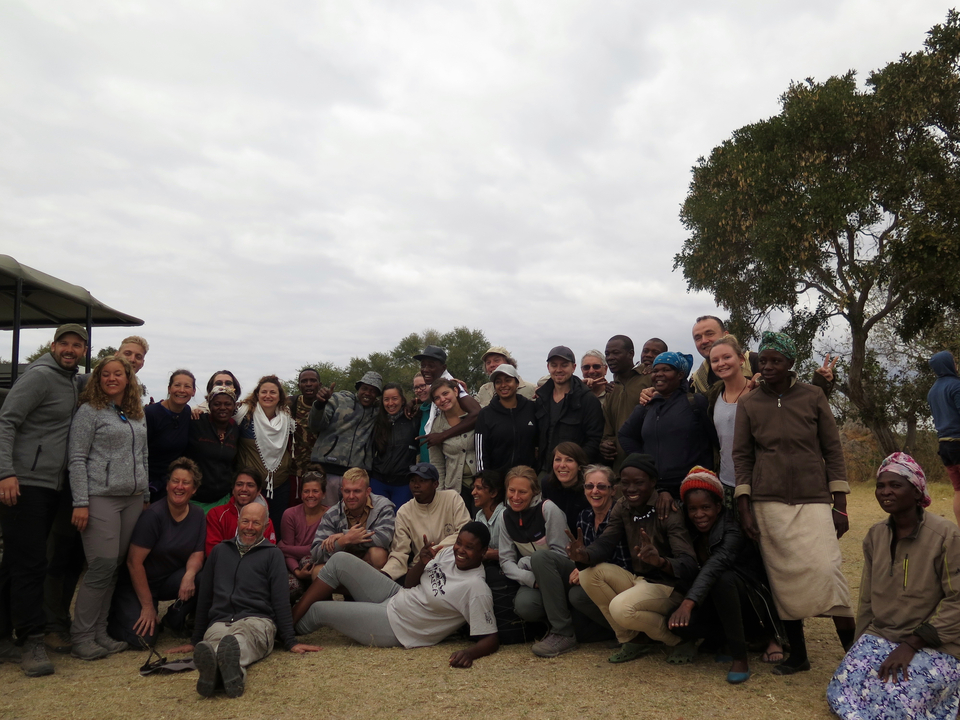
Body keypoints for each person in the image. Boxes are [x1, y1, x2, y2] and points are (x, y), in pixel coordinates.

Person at [734, 330, 855, 676]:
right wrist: (744, 505)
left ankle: (855, 655)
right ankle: (798, 656)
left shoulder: (813, 395)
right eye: (764, 360)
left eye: (777, 361)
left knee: (829, 573)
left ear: (791, 364)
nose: (768, 366)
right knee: (783, 579)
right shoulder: (749, 403)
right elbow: (742, 457)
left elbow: (832, 450)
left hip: (814, 497)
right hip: (768, 502)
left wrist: (840, 503)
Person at [828, 453, 960, 719]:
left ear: (916, 491)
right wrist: (857, 648)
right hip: (883, 635)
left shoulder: (946, 535)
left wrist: (911, 644)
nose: (885, 492)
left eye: (895, 485)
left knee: (897, 700)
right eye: (881, 486)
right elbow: (867, 598)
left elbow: (958, 600)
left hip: (936, 642)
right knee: (841, 689)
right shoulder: (875, 535)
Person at [0, 323, 87, 676]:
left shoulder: (72, 380)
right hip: (25, 483)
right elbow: (6, 421)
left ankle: (4, 633)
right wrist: (5, 471)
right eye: (64, 344)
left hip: (53, 484)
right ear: (53, 346)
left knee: (15, 564)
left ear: (83, 351)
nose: (70, 349)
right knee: (33, 562)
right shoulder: (38, 376)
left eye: (77, 345)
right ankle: (32, 639)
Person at [291, 523, 499, 668]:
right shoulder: (446, 553)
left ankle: (285, 632)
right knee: (339, 561)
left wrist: (469, 653)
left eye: (469, 547)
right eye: (459, 543)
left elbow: (491, 638)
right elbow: (409, 583)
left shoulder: (475, 587)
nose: (460, 550)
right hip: (397, 595)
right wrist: (421, 563)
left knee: (319, 611)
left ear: (483, 553)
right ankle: (288, 620)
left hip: (399, 626)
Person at [168, 503, 321, 698]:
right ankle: (227, 674)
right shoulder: (219, 552)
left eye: (256, 523)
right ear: (238, 522)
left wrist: (290, 641)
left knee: (237, 642)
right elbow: (205, 597)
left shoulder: (273, 555)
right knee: (215, 641)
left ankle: (218, 672)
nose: (250, 527)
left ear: (265, 526)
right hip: (220, 621)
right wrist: (196, 639)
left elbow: (281, 601)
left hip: (256, 622)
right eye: (246, 521)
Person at [567, 454, 698, 664]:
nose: (631, 489)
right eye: (626, 483)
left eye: (639, 483)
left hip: (670, 586)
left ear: (653, 483)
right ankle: (633, 640)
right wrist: (584, 555)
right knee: (588, 574)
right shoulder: (623, 506)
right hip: (640, 579)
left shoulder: (667, 508)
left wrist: (661, 561)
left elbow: (689, 563)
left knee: (620, 608)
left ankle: (679, 641)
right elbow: (606, 542)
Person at [666, 468, 784, 684]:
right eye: (693, 509)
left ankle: (741, 658)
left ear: (719, 507)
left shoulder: (732, 530)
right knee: (678, 623)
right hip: (716, 602)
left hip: (751, 602)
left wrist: (688, 603)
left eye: (705, 508)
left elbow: (714, 566)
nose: (699, 515)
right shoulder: (690, 529)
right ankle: (726, 642)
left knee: (723, 579)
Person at [68, 355, 148, 660]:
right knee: (100, 565)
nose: (112, 378)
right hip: (100, 496)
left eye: (118, 374)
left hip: (132, 497)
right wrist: (81, 502)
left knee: (114, 566)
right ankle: (82, 636)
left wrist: (144, 495)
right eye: (105, 374)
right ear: (97, 379)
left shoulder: (136, 413)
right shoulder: (89, 412)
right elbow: (76, 458)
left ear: (128, 378)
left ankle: (100, 631)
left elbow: (143, 456)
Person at [522, 464, 629, 657]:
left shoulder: (622, 515)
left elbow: (625, 564)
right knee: (541, 557)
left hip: (620, 584)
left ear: (613, 490)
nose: (594, 491)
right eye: (589, 486)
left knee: (577, 596)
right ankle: (562, 631)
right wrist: (581, 563)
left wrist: (587, 567)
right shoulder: (584, 516)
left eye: (601, 487)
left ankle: (625, 629)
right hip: (590, 579)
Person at [106, 457, 206, 647]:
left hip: (168, 580)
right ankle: (114, 618)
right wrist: (148, 607)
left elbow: (197, 552)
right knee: (144, 640)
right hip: (139, 583)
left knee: (204, 574)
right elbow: (133, 562)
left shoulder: (198, 514)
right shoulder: (153, 515)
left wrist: (189, 575)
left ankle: (175, 618)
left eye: (186, 483)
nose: (180, 486)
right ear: (167, 485)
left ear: (194, 489)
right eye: (175, 481)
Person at [618, 351, 715, 512]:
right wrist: (644, 461)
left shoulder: (695, 403)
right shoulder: (646, 406)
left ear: (680, 375)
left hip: (693, 489)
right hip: (655, 490)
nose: (659, 375)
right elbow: (625, 435)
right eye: (655, 371)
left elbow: (715, 441)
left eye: (666, 370)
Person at [497, 466, 568, 645]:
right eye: (511, 491)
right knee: (524, 606)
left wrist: (526, 561)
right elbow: (505, 560)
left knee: (538, 558)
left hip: (560, 571)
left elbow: (561, 553)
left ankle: (563, 630)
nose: (515, 497)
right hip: (534, 576)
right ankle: (548, 625)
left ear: (535, 492)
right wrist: (529, 578)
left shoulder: (548, 509)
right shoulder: (504, 517)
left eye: (522, 492)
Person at [689, 315, 836, 396]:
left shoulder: (756, 361)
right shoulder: (696, 380)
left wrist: (822, 383)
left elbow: (795, 397)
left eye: (709, 334)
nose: (704, 341)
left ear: (725, 335)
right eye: (698, 337)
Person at [382, 463, 470, 581]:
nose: (416, 485)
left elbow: (465, 531)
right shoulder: (404, 512)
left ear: (435, 484)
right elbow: (399, 553)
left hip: (454, 563)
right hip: (423, 569)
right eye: (413, 480)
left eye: (422, 480)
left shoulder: (452, 498)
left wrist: (435, 550)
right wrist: (386, 574)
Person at [309, 370, 382, 508]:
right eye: (365, 388)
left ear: (377, 395)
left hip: (357, 476)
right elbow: (315, 425)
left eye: (373, 391)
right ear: (358, 388)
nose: (367, 393)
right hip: (328, 471)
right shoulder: (338, 400)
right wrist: (319, 405)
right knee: (326, 516)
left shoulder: (378, 410)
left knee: (353, 519)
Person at [236, 375, 294, 536]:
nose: (268, 396)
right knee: (250, 528)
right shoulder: (244, 415)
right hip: (251, 487)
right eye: (264, 392)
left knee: (275, 530)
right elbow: (217, 407)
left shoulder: (287, 417)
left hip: (280, 485)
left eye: (273, 392)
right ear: (257, 394)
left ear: (280, 396)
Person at [310, 467, 395, 571]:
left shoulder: (383, 506)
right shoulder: (332, 514)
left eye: (357, 491)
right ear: (341, 491)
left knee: (378, 555)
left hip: (368, 561)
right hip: (342, 563)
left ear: (367, 492)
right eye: (347, 491)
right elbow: (315, 553)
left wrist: (345, 535)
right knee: (318, 571)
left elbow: (385, 538)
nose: (351, 496)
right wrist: (343, 541)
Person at [533, 345, 604, 469]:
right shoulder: (541, 400)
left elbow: (594, 440)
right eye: (554, 365)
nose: (559, 370)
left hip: (576, 473)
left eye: (564, 365)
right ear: (548, 367)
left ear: (574, 367)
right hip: (545, 470)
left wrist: (575, 465)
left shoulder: (587, 400)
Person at [599, 336, 662, 473]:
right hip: (619, 471)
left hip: (650, 468)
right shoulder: (612, 389)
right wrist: (605, 444)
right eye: (607, 354)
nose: (610, 358)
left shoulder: (650, 378)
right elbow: (608, 429)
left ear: (631, 354)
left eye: (616, 353)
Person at [706, 336, 753, 509]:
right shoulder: (714, 396)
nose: (721, 363)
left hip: (757, 483)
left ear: (741, 359)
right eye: (715, 360)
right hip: (726, 482)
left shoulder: (758, 391)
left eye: (727, 357)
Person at [414, 345, 481, 462]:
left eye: (431, 365)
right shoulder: (437, 384)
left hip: (455, 459)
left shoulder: (452, 385)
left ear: (443, 367)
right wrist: (414, 401)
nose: (425, 369)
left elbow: (477, 413)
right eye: (423, 365)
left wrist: (442, 435)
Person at [473, 363, 538, 477]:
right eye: (498, 382)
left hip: (527, 480)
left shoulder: (531, 408)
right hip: (497, 482)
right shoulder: (486, 414)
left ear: (517, 383)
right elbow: (481, 453)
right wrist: (484, 480)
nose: (503, 385)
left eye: (508, 380)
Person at [145, 370, 197, 502]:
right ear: (169, 388)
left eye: (187, 386)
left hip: (173, 484)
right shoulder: (151, 414)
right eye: (177, 385)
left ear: (193, 391)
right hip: (149, 484)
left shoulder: (187, 412)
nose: (182, 390)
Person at [186, 385, 240, 511]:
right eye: (217, 404)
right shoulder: (196, 423)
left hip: (223, 499)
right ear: (209, 406)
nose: (222, 408)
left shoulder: (235, 429)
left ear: (234, 407)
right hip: (194, 499)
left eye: (227, 404)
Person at [428, 378, 477, 510]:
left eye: (445, 394)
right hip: (455, 488)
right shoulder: (436, 427)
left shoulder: (474, 415)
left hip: (481, 484)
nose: (442, 400)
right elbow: (437, 463)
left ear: (455, 391)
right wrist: (441, 493)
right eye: (437, 398)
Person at [279, 470, 328, 599]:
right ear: (301, 494)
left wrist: (283, 548)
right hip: (293, 567)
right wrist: (297, 571)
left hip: (319, 564)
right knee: (290, 586)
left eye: (315, 491)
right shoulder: (289, 514)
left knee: (309, 560)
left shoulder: (330, 514)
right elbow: (287, 555)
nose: (310, 495)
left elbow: (319, 550)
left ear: (324, 494)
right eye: (306, 491)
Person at [205, 469, 277, 555]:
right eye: (239, 484)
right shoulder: (216, 514)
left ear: (258, 491)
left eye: (250, 485)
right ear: (233, 489)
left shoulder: (266, 521)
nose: (244, 489)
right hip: (223, 566)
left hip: (255, 567)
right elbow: (212, 551)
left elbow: (269, 554)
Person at [370, 383, 419, 507]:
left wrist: (414, 401)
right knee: (378, 520)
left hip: (403, 483)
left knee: (400, 522)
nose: (390, 403)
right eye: (386, 399)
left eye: (395, 398)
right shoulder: (376, 421)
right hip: (378, 481)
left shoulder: (413, 418)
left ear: (402, 400)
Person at [927, 351, 960, 525]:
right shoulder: (956, 386)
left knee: (958, 490)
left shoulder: (932, 392)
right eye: (954, 361)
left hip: (944, 446)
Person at [287, 368, 322, 506]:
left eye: (313, 380)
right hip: (294, 473)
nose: (308, 384)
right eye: (304, 381)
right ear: (298, 386)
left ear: (319, 384)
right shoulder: (290, 404)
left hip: (318, 473)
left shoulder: (328, 406)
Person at [541, 442, 590, 533]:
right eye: (558, 460)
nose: (562, 465)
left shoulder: (589, 489)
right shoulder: (546, 484)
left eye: (569, 460)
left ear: (579, 466)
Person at [471, 470, 505, 563]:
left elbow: (514, 552)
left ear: (493, 493)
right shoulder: (479, 516)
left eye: (479, 488)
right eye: (474, 488)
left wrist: (492, 554)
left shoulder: (504, 516)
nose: (473, 492)